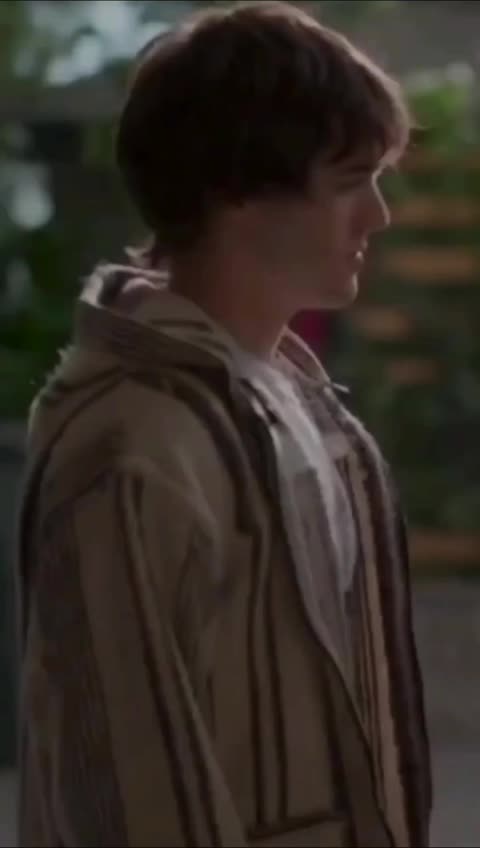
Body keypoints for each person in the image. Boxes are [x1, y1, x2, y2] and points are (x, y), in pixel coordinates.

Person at [15, 2, 432, 846]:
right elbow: (126, 793)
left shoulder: (296, 406)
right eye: (349, 181)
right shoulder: (134, 446)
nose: (377, 217)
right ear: (238, 192)